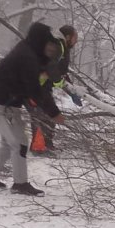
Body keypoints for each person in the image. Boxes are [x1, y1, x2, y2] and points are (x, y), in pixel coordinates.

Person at [0, 22, 65, 196]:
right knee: (18, 143)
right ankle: (20, 184)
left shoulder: (30, 52)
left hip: (8, 104)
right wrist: (54, 112)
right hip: (0, 105)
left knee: (13, 143)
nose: (51, 49)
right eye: (49, 45)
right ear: (41, 41)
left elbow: (32, 86)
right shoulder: (27, 57)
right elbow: (34, 89)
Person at [30, 24, 80, 155]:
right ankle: (38, 148)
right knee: (40, 116)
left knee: (50, 115)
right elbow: (50, 67)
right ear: (68, 37)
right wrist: (59, 82)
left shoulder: (62, 47)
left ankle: (47, 144)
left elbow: (61, 72)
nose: (77, 41)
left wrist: (72, 92)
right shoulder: (56, 45)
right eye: (75, 37)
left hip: (43, 87)